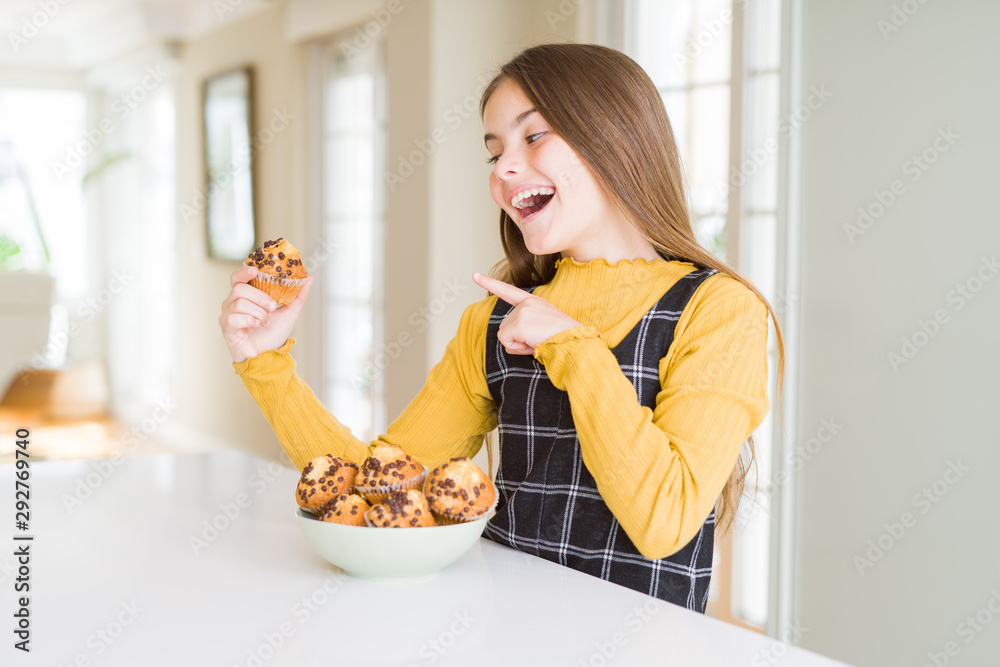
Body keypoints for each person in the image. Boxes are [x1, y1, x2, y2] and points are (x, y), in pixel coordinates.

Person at [219, 43, 783, 612]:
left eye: (533, 136)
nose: (504, 170)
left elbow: (665, 520)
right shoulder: (493, 322)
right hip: (504, 633)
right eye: (494, 154)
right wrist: (265, 364)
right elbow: (378, 486)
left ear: (616, 136)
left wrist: (572, 347)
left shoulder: (719, 310)